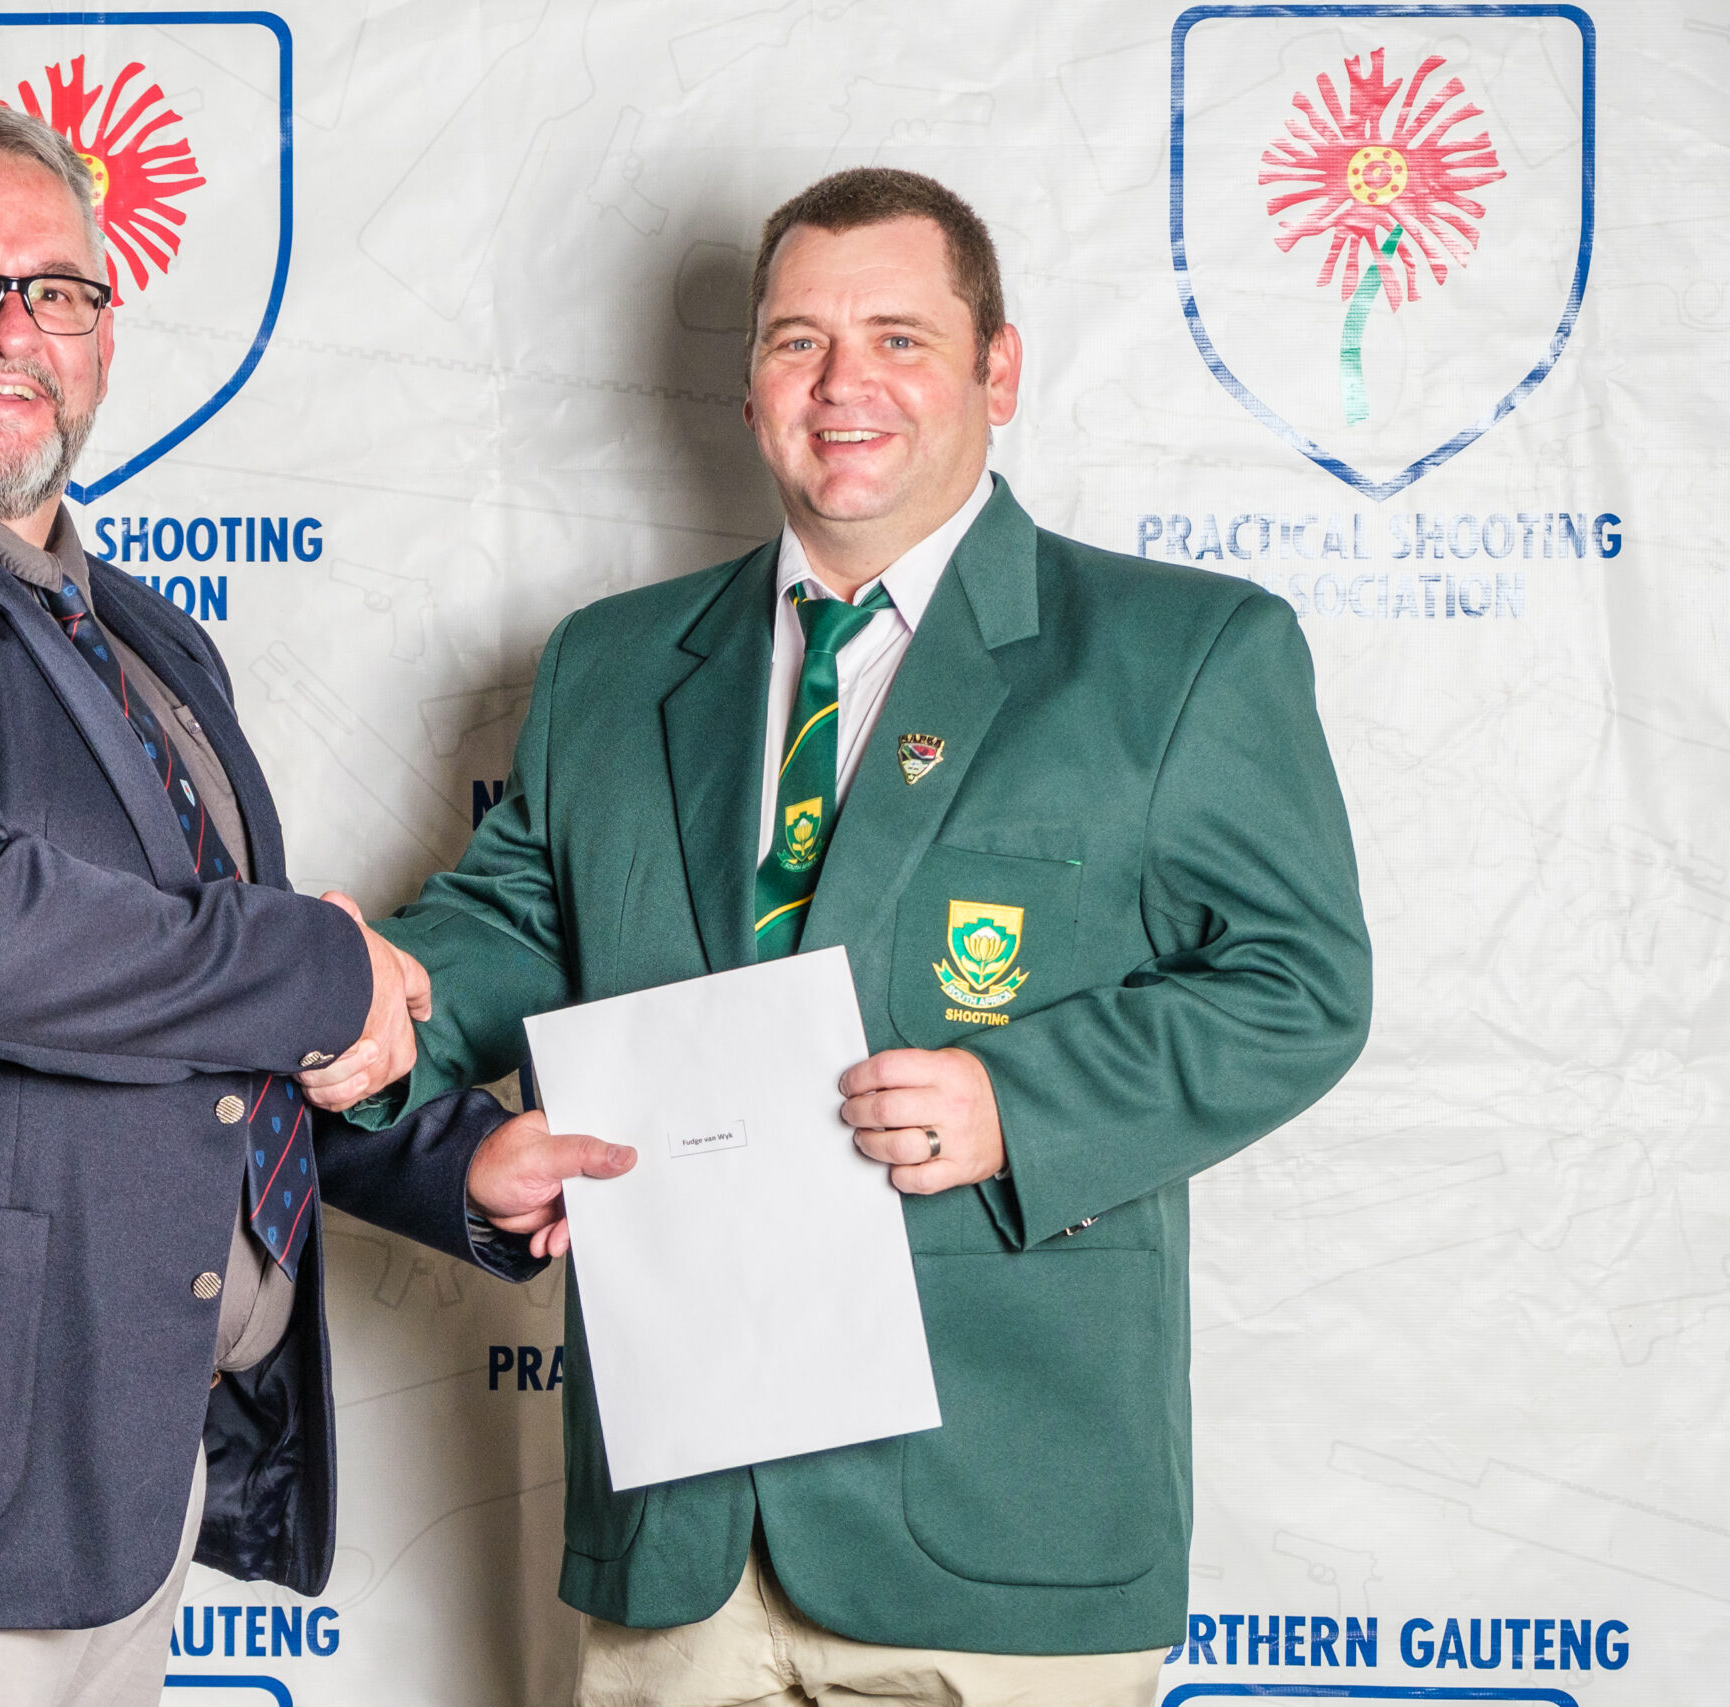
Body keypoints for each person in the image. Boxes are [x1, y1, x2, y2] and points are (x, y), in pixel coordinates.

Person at [0, 94, 628, 1707]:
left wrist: (449, 1166)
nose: (16, 330)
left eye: (60, 292)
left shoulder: (147, 636)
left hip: (109, 1472)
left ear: (104, 342)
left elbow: (183, 1013)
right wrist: (321, 965)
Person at [306, 167, 1374, 1707]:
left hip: (1000, 1528)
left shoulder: (1183, 653)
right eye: (797, 340)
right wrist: (375, 994)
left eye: (899, 337)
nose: (842, 383)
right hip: (677, 1531)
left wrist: (1017, 1104)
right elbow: (514, 924)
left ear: (999, 369)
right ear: (750, 386)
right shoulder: (611, 666)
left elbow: (1297, 986)